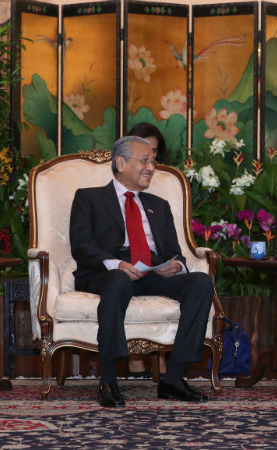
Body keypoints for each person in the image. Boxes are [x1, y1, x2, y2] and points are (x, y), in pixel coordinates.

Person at [70, 135, 213, 407]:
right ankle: (108, 380)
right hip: (108, 272)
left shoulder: (158, 205)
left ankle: (173, 378)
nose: (151, 167)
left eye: (153, 161)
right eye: (144, 160)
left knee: (201, 282)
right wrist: (117, 264)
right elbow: (82, 246)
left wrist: (176, 265)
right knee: (118, 281)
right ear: (120, 163)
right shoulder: (88, 198)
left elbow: (174, 250)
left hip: (152, 272)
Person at [126, 123, 169, 376]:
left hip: (155, 258)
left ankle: (160, 352)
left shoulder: (166, 183)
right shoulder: (117, 184)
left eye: (153, 152)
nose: (149, 159)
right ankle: (135, 352)